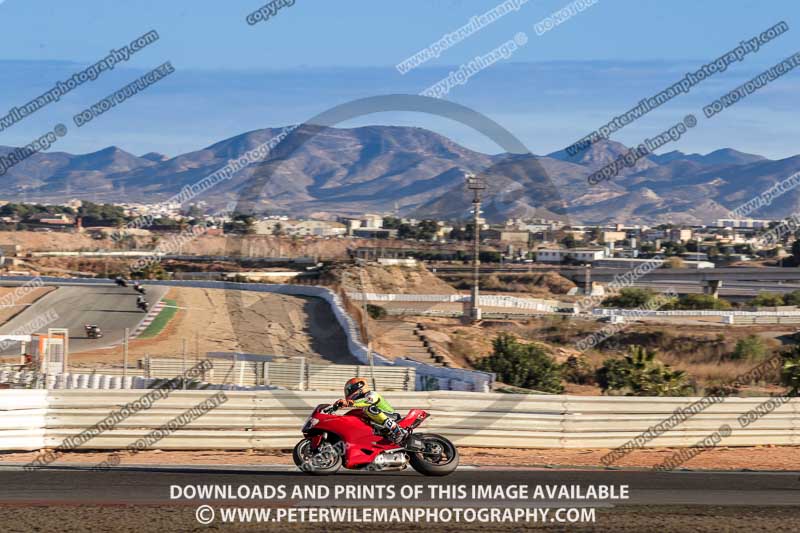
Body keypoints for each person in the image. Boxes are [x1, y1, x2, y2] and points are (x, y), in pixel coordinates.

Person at [334, 377, 407, 445]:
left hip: (391, 417)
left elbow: (367, 401)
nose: (347, 394)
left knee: (369, 409)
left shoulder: (372, 394)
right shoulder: (360, 403)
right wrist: (334, 408)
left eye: (349, 391)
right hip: (379, 422)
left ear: (358, 387)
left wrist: (350, 403)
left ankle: (397, 430)